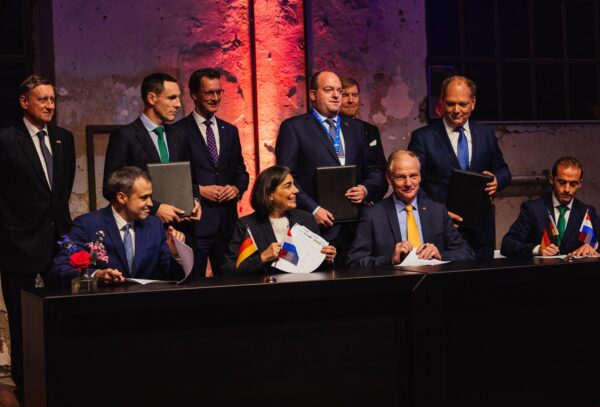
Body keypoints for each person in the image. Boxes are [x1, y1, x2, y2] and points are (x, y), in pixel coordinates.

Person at [0, 74, 76, 401]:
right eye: (42, 99)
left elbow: (60, 191)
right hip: (17, 244)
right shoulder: (6, 139)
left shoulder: (64, 138)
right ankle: (25, 386)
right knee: (21, 320)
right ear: (24, 102)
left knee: (61, 313)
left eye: (52, 99)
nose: (49, 105)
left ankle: (61, 380)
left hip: (58, 242)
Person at [275, 71, 386, 266]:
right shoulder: (294, 127)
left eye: (339, 91)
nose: (336, 95)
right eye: (328, 90)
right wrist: (314, 209)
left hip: (355, 227)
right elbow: (286, 177)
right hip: (314, 227)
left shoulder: (356, 128)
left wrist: (365, 189)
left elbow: (375, 169)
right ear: (312, 95)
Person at [408, 75, 511, 259]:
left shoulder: (485, 134)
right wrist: (438, 214)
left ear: (473, 103)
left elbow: (503, 171)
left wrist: (497, 180)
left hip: (481, 231)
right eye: (450, 104)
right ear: (441, 102)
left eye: (463, 104)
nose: (456, 110)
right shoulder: (423, 138)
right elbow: (414, 185)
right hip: (441, 231)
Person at [170, 68, 249, 276]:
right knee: (193, 285)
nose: (215, 98)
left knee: (231, 285)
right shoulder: (177, 132)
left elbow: (241, 172)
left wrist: (236, 189)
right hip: (194, 226)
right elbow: (172, 180)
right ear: (194, 94)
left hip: (227, 226)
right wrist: (199, 190)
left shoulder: (230, 130)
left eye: (219, 92)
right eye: (209, 93)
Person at [49, 167, 186, 285]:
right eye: (144, 198)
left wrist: (175, 254)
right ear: (122, 198)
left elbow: (172, 277)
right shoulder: (87, 225)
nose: (151, 203)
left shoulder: (155, 225)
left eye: (150, 196)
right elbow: (59, 269)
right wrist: (96, 275)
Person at [347, 150, 474, 267]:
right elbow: (355, 261)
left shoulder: (438, 211)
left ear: (420, 177)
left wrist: (440, 255)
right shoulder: (373, 215)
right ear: (389, 178)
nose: (408, 183)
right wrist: (390, 260)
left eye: (413, 176)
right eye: (401, 177)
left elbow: (466, 253)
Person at [103, 72, 199, 224]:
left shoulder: (180, 136)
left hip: (180, 226)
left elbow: (190, 178)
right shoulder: (124, 136)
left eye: (178, 98)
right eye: (172, 98)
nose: (178, 104)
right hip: (141, 227)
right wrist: (155, 208)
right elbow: (111, 188)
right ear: (151, 98)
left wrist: (195, 201)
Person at [223, 166, 336, 274]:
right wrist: (263, 258)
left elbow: (320, 268)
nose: (296, 190)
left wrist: (327, 258)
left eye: (294, 184)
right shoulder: (246, 225)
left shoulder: (306, 218)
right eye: (288, 186)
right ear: (269, 194)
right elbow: (229, 269)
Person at [501, 156, 600, 258]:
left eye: (573, 184)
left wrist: (593, 246)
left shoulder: (586, 212)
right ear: (552, 180)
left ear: (580, 184)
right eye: (562, 182)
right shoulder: (533, 209)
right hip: (542, 268)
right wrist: (537, 249)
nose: (567, 189)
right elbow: (507, 245)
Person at [341, 76, 388, 201]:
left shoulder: (370, 130)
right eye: (345, 95)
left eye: (355, 95)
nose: (351, 100)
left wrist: (366, 189)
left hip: (365, 202)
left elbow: (379, 169)